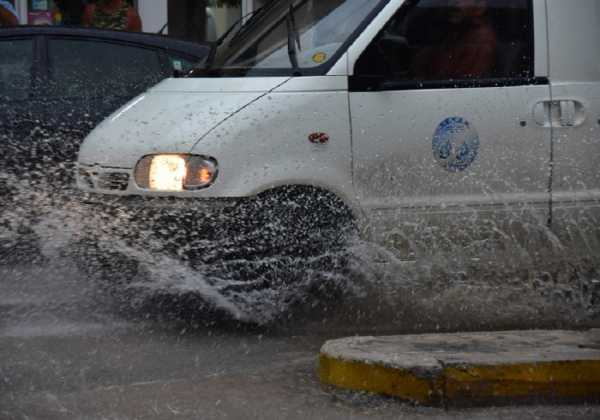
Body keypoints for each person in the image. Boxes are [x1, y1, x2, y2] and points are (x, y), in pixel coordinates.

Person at [411, 0, 497, 80]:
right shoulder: (452, 32)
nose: (453, 2)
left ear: (480, 4)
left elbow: (460, 85)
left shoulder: (480, 40)